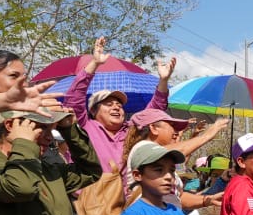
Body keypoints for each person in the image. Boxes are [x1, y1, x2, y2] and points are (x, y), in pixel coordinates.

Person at [67, 36, 173, 179]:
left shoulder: (131, 130)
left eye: (119, 105)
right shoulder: (84, 127)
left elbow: (154, 111)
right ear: (93, 111)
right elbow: (74, 99)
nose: (116, 108)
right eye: (109, 104)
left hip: (125, 198)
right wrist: (94, 63)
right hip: (89, 197)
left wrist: (163, 81)